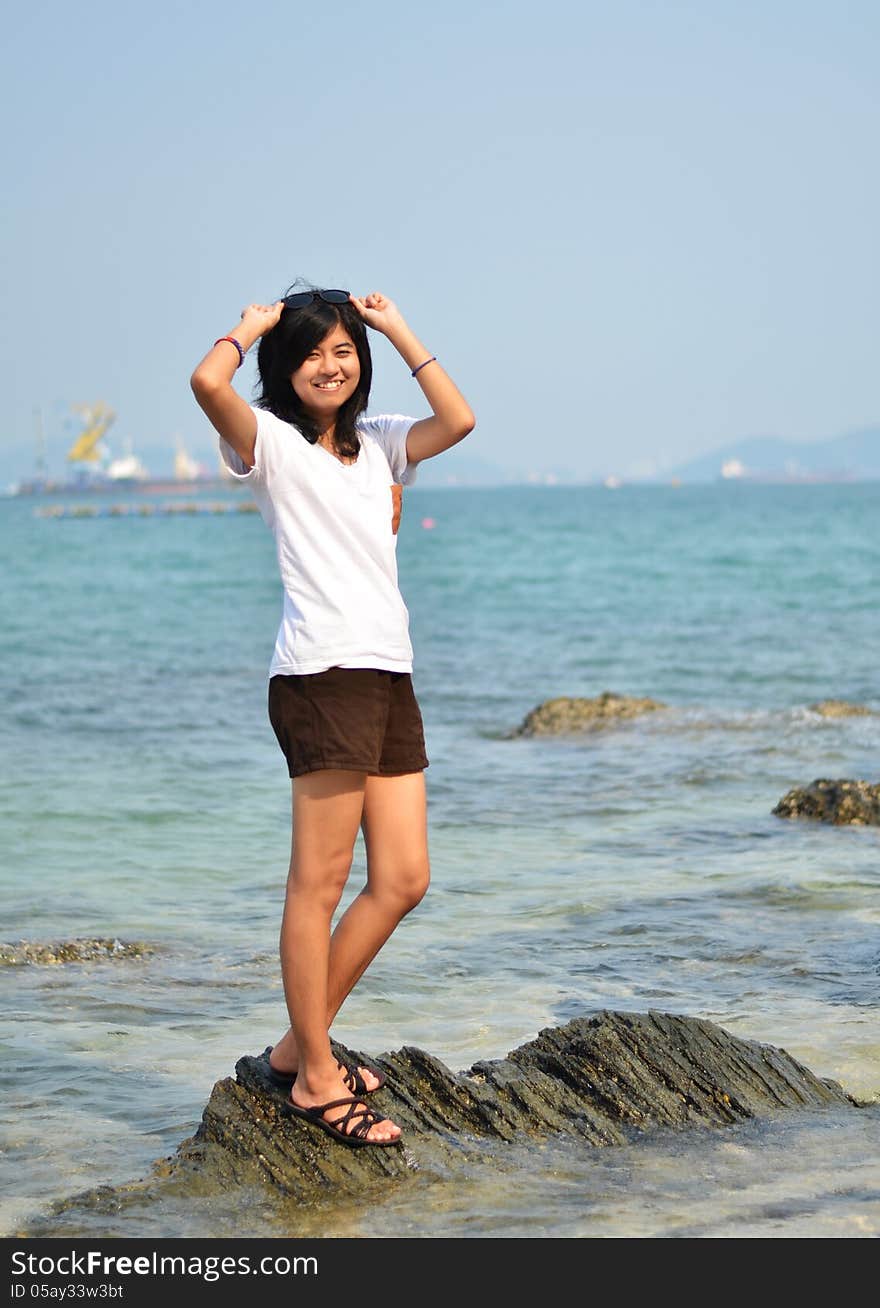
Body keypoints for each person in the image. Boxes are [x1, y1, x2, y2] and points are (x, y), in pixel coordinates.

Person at [190, 285, 475, 1146]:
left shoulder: (383, 442)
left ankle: (292, 1048)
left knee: (402, 879)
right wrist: (253, 327)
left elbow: (458, 420)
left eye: (344, 350)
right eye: (313, 353)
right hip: (321, 675)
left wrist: (392, 323)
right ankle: (315, 1078)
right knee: (315, 888)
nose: (330, 364)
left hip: (389, 673)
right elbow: (208, 386)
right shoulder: (270, 445)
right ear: (287, 366)